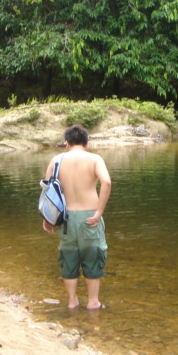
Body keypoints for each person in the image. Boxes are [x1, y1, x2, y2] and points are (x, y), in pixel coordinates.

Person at [42, 125, 111, 310]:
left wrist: (48, 218)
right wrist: (99, 212)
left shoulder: (56, 160)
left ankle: (72, 302)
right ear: (86, 144)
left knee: (69, 258)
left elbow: (48, 190)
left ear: (67, 143)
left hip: (65, 219)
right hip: (90, 216)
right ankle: (93, 302)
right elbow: (107, 182)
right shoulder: (94, 159)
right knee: (93, 257)